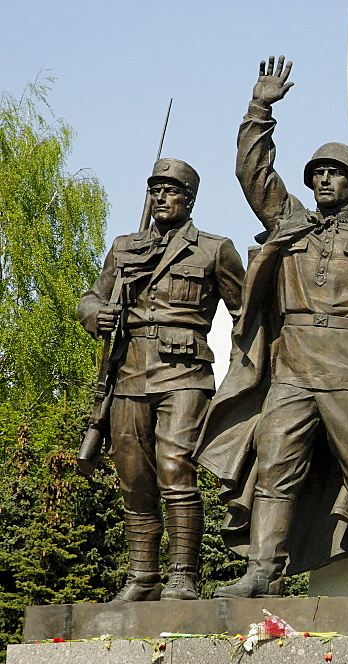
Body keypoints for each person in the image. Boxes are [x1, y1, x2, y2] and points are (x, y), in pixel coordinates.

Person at [196, 56, 348, 598]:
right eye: (317, 173)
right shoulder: (290, 223)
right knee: (276, 467)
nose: (324, 179)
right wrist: (260, 109)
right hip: (294, 367)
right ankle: (263, 573)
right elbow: (252, 173)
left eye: (335, 173)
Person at [78, 159, 244, 601]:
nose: (160, 197)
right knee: (134, 478)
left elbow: (245, 314)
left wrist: (246, 375)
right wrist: (98, 313)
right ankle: (142, 577)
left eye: (170, 190)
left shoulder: (213, 249)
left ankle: (183, 576)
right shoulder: (123, 247)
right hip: (129, 372)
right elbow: (91, 298)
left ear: (189, 199)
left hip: (184, 374)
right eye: (154, 190)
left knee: (175, 469)